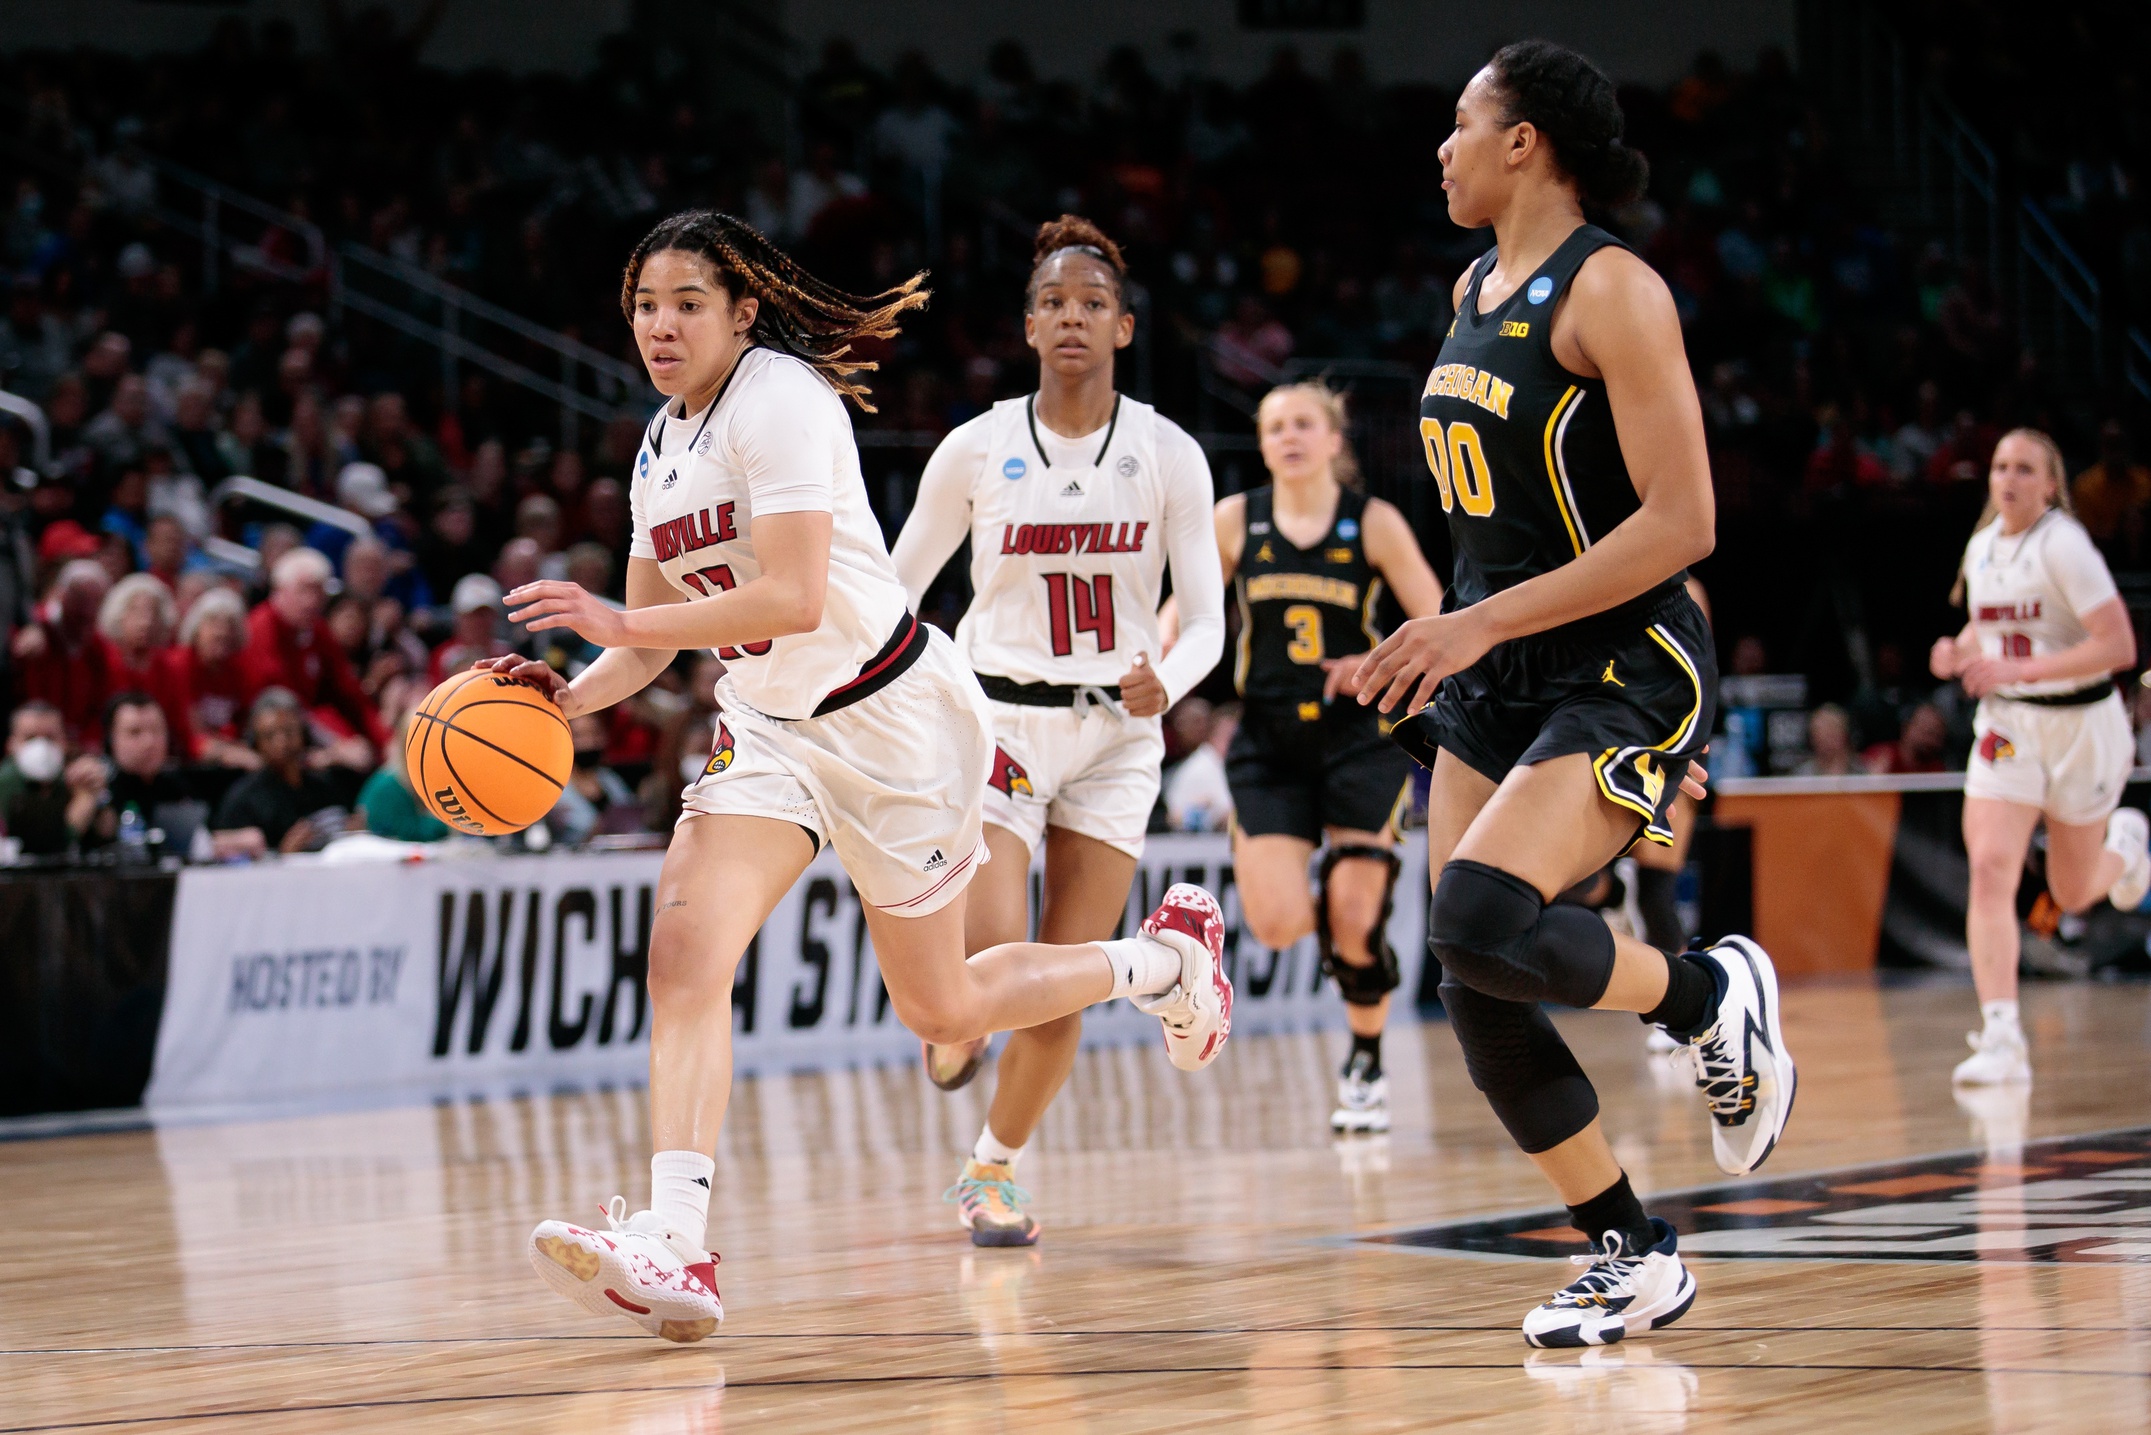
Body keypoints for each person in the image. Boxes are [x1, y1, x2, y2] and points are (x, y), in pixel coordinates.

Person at [488, 209, 1235, 1343]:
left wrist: (625, 613)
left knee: (944, 1004)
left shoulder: (781, 399)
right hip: (772, 725)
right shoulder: (658, 445)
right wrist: (564, 692)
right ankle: (677, 1242)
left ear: (743, 311)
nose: (661, 324)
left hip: (892, 721)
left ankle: (1161, 962)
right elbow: (642, 648)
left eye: (688, 302)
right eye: (646, 305)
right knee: (685, 946)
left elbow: (789, 595)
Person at [1345, 41, 1795, 1349]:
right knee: (1467, 967)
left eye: (1458, 121)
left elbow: (1683, 521)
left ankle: (1707, 995)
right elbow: (1497, 525)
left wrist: (1493, 634)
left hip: (1617, 659)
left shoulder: (1613, 291)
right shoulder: (1468, 282)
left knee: (1486, 911)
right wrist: (1450, 643)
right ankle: (1631, 1249)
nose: (1440, 147)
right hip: (1502, 673)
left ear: (1524, 140)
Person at [888, 215, 1227, 1246]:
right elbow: (898, 591)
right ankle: (955, 1027)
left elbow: (1208, 619)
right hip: (997, 722)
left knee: (1061, 981)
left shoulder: (1168, 453)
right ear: (1028, 325)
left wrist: (1164, 679)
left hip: (1116, 739)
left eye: (1092, 304)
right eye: (1053, 303)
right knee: (1000, 955)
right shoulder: (976, 448)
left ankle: (993, 1171)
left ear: (1123, 327)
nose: (1072, 317)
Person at [1201, 379, 1444, 1135]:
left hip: (1358, 738)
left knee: (1353, 916)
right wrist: (1153, 656)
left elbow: (1436, 622)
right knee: (1273, 924)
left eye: (1303, 423)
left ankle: (1365, 1059)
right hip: (1268, 739)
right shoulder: (1235, 519)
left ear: (1334, 440)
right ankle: (1346, 937)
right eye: (1274, 426)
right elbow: (1194, 612)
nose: (1288, 436)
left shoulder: (1372, 522)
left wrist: (1373, 662)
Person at [1929, 428, 2147, 1087]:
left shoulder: (2065, 545)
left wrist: (2020, 668)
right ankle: (2000, 1035)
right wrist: (1956, 650)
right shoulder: (1982, 545)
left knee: (2071, 890)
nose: (2007, 478)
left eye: (2023, 468)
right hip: (2010, 726)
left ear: (2050, 483)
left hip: (2081, 723)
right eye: (1999, 466)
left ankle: (2129, 845)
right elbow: (1987, 631)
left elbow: (2119, 646)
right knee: (1991, 867)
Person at [211, 688, 346, 854]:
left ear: (304, 733)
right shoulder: (242, 800)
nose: (281, 742)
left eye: (289, 732)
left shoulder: (325, 787)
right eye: (269, 735)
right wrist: (283, 855)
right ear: (256, 743)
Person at [174, 586, 259, 768]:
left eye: (229, 625)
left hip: (225, 753)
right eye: (213, 623)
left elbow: (244, 723)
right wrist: (228, 751)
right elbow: (191, 734)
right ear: (196, 629)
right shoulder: (181, 665)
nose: (222, 632)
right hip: (185, 761)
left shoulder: (238, 670)